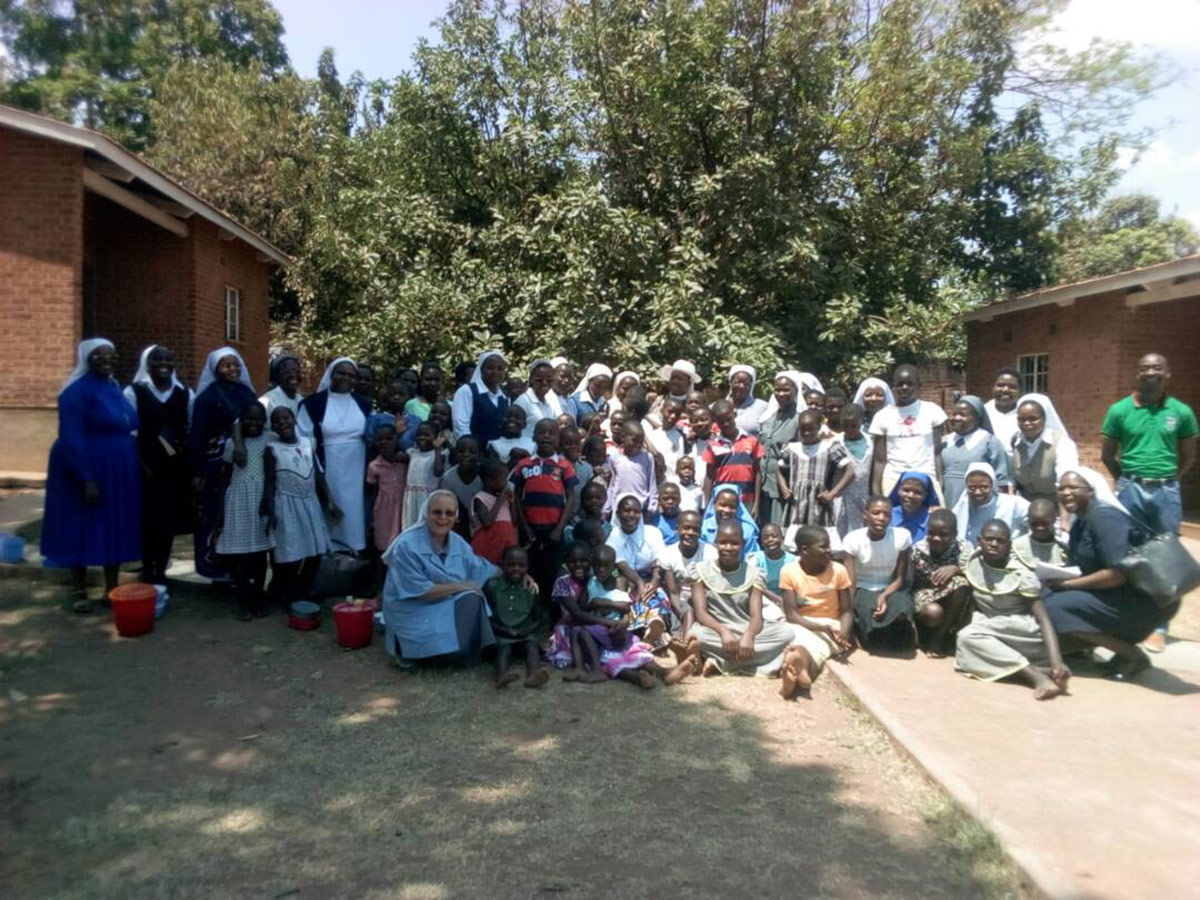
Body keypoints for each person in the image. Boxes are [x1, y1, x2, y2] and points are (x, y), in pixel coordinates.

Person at [1101, 353, 1197, 653]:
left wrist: (1165, 480)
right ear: (1136, 374)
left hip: (1166, 491)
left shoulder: (1181, 412)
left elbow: (1188, 457)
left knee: (1166, 558)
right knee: (1127, 554)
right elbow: (1107, 455)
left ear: (1168, 373)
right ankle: (1128, 619)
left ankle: (1159, 627)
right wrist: (1128, 481)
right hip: (1130, 487)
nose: (1150, 372)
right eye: (1144, 368)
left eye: (1157, 367)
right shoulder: (1119, 410)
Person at [1043, 468, 1175, 681]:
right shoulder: (1082, 520)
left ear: (1091, 491)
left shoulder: (1104, 518)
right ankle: (1092, 648)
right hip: (1120, 596)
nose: (1065, 492)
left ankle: (1133, 655)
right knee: (1049, 598)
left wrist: (1068, 584)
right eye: (1062, 488)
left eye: (1073, 487)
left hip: (1143, 602)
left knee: (1052, 607)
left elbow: (1117, 574)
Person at [42, 339, 141, 612]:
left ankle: (111, 588)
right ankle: (79, 590)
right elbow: (71, 437)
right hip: (86, 468)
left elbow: (128, 422)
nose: (107, 360)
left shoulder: (113, 388)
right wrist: (86, 478)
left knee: (114, 526)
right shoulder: (75, 392)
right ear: (87, 359)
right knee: (81, 525)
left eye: (111, 355)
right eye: (99, 356)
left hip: (118, 471)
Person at [382, 490, 531, 665]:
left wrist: (520, 574)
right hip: (413, 609)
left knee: (474, 597)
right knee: (470, 595)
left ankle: (463, 651)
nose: (443, 518)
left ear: (456, 517)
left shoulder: (457, 542)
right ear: (426, 513)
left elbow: (481, 567)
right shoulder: (406, 545)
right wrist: (462, 586)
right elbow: (419, 591)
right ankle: (435, 654)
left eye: (449, 513)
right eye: (437, 512)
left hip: (441, 604)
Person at [679, 521, 809, 698]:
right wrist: (723, 631)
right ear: (715, 543)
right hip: (715, 630)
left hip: (745, 628)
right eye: (723, 542)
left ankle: (718, 662)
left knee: (786, 633)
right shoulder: (701, 570)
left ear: (743, 544)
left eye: (735, 543)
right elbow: (701, 613)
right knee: (696, 636)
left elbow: (756, 616)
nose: (728, 548)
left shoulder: (754, 573)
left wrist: (748, 636)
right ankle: (767, 664)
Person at [957, 520, 1070, 700]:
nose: (994, 544)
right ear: (980, 541)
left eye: (1000, 541)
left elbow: (1042, 619)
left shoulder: (1020, 574)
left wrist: (1056, 660)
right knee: (963, 651)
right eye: (989, 539)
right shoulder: (972, 561)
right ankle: (1032, 668)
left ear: (1009, 545)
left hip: (1020, 630)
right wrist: (952, 569)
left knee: (967, 637)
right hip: (990, 626)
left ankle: (1037, 677)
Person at [123, 344, 193, 590]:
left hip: (174, 467)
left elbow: (190, 428)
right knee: (146, 520)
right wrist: (142, 466)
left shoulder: (184, 393)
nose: (163, 363)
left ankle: (160, 571)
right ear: (147, 364)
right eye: (157, 360)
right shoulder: (134, 392)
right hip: (145, 466)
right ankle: (148, 569)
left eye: (168, 359)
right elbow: (128, 434)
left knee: (167, 521)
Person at [190, 347, 257, 579]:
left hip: (245, 463)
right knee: (215, 514)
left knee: (240, 514)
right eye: (226, 365)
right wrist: (197, 472)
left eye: (236, 364)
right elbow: (197, 435)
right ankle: (214, 567)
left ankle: (241, 568)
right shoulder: (208, 397)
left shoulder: (246, 393)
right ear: (215, 369)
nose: (232, 369)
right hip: (215, 465)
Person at [263, 406, 337, 605]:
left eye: (286, 418)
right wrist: (271, 510)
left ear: (295, 420)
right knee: (291, 553)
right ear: (273, 427)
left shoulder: (308, 443)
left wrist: (330, 501)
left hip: (310, 503)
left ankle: (304, 591)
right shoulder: (272, 450)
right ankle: (289, 595)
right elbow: (269, 483)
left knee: (315, 552)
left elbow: (318, 475)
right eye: (277, 421)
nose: (282, 423)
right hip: (286, 505)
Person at [298, 358, 369, 553]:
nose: (346, 378)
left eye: (351, 375)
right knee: (330, 518)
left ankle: (353, 563)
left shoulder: (364, 404)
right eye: (341, 373)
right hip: (328, 470)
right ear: (331, 374)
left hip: (357, 473)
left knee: (355, 519)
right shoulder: (313, 404)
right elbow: (304, 442)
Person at [215, 401, 273, 620]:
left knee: (259, 553)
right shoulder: (232, 444)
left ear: (265, 422)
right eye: (249, 418)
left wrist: (268, 500)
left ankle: (258, 598)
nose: (254, 423)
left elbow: (270, 475)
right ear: (242, 420)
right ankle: (243, 599)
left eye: (259, 418)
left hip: (259, 500)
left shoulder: (269, 440)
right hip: (237, 500)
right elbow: (225, 475)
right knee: (237, 553)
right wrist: (221, 509)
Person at [511, 419, 579, 604]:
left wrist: (559, 529)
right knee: (529, 569)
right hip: (530, 529)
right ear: (534, 436)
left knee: (552, 570)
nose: (546, 436)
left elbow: (571, 497)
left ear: (558, 439)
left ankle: (551, 613)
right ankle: (528, 609)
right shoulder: (524, 465)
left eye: (551, 433)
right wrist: (525, 527)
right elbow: (517, 496)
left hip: (554, 529)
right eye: (541, 432)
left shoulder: (565, 466)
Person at [842, 495, 916, 651]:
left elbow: (899, 578)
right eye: (876, 513)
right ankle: (866, 633)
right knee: (870, 610)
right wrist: (848, 610)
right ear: (865, 514)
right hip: (863, 588)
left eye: (886, 514)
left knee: (902, 608)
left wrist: (884, 596)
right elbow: (851, 581)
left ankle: (897, 635)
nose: (881, 518)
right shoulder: (853, 540)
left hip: (890, 587)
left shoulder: (901, 536)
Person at [779, 525, 855, 671]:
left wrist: (843, 633)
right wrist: (821, 628)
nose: (829, 551)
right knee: (794, 637)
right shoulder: (789, 571)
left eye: (829, 546)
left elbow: (847, 611)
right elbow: (792, 615)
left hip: (831, 623)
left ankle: (799, 668)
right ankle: (799, 668)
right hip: (801, 623)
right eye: (823, 547)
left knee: (821, 646)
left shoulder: (838, 570)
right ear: (804, 550)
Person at [606, 493, 674, 645]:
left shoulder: (652, 532)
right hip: (625, 581)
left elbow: (658, 562)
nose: (632, 515)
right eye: (627, 510)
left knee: (656, 598)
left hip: (650, 578)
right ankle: (645, 636)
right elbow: (621, 566)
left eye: (636, 511)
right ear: (617, 514)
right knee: (631, 602)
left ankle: (659, 633)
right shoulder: (613, 536)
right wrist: (639, 584)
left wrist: (654, 582)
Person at [869, 365, 946, 497]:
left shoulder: (933, 411)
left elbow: (937, 452)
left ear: (919, 386)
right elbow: (879, 459)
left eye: (910, 384)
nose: (904, 387)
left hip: (926, 477)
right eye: (900, 384)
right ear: (893, 387)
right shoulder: (882, 416)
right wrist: (876, 489)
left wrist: (939, 482)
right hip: (893, 480)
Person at [485, 546, 550, 689]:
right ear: (502, 564)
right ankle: (501, 676)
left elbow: (538, 618)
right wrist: (503, 631)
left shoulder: (531, 588)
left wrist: (527, 631)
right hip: (502, 633)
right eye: (511, 564)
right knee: (504, 648)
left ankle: (533, 675)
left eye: (521, 565)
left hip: (524, 633)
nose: (516, 569)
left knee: (531, 647)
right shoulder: (492, 586)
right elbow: (487, 618)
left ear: (527, 566)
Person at [908, 508, 970, 656]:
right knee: (934, 612)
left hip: (952, 598)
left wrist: (956, 569)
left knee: (961, 583)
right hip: (922, 595)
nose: (936, 538)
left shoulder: (962, 548)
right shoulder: (917, 551)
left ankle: (940, 639)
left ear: (954, 534)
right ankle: (924, 637)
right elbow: (908, 584)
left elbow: (975, 573)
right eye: (932, 533)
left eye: (944, 535)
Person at [777, 408, 853, 528]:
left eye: (811, 429)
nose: (806, 433)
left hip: (819, 504)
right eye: (803, 430)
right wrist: (784, 488)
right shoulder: (791, 448)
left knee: (819, 538)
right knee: (795, 539)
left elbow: (850, 471)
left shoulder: (829, 447)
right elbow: (780, 470)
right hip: (796, 504)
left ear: (819, 427)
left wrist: (832, 493)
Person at [941, 395, 1012, 508]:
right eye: (954, 414)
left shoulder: (989, 442)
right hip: (947, 502)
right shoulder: (945, 441)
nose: (956, 418)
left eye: (962, 415)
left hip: (980, 504)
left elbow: (1001, 480)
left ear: (977, 418)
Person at [1010, 393, 1079, 503]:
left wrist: (1065, 519)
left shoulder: (1062, 443)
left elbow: (1066, 485)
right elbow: (1013, 481)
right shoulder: (1016, 442)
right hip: (1026, 509)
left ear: (1045, 418)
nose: (1026, 423)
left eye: (1033, 419)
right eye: (1021, 419)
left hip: (1057, 508)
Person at [659, 509, 716, 638]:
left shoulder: (710, 553)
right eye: (686, 528)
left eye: (695, 529)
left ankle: (686, 644)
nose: (690, 533)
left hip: (703, 599)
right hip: (678, 601)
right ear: (677, 529)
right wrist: (682, 613)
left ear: (700, 532)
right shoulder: (668, 554)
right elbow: (673, 592)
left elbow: (712, 586)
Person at [703, 400, 765, 517]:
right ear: (715, 422)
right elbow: (709, 477)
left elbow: (757, 473)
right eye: (721, 422)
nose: (726, 424)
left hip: (746, 499)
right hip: (723, 501)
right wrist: (708, 504)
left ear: (734, 414)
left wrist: (756, 504)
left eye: (728, 419)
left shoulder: (751, 440)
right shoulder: (713, 445)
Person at [951, 462, 1029, 546]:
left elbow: (1037, 522)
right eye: (972, 488)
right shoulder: (962, 509)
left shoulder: (1013, 503)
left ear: (992, 486)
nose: (977, 492)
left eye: (983, 487)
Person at [451, 350, 509, 443]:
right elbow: (460, 426)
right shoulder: (467, 391)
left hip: (498, 454)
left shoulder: (505, 397)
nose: (495, 372)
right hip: (473, 453)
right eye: (490, 368)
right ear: (481, 370)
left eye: (500, 368)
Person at [366, 423, 407, 554]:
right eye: (380, 439)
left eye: (389, 439)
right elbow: (372, 491)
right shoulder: (374, 466)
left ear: (396, 440)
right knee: (384, 544)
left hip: (403, 506)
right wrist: (372, 516)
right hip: (384, 510)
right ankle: (381, 573)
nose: (384, 443)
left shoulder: (405, 461)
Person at [604, 420, 657, 518]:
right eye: (634, 440)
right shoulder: (614, 457)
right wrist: (607, 508)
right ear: (623, 437)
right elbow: (611, 485)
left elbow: (652, 482)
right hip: (618, 508)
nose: (638, 445)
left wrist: (651, 507)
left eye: (641, 442)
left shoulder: (647, 457)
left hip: (640, 509)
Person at [836, 403, 873, 538]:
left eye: (853, 426)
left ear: (861, 422)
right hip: (842, 499)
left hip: (865, 495)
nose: (849, 429)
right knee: (842, 534)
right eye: (845, 426)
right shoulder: (836, 442)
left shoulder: (871, 442)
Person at [471, 458, 517, 564]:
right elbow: (487, 522)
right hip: (489, 543)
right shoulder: (480, 498)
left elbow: (514, 521)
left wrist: (512, 502)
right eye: (504, 479)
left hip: (505, 542)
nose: (506, 483)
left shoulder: (502, 498)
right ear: (490, 481)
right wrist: (499, 502)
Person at [402, 423, 447, 530]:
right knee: (410, 525)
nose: (422, 437)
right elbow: (393, 456)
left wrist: (437, 449)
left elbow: (438, 471)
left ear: (436, 438)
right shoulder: (413, 453)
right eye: (419, 434)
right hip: (411, 497)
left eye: (427, 435)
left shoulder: (438, 455)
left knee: (427, 526)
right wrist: (400, 433)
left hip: (427, 498)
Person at [749, 522, 795, 621]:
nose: (770, 540)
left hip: (787, 598)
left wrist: (785, 601)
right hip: (762, 598)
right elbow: (754, 585)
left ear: (782, 538)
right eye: (766, 537)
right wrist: (777, 599)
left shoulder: (792, 560)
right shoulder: (756, 559)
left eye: (774, 536)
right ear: (761, 542)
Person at [701, 483, 760, 555]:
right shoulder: (703, 528)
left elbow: (751, 558)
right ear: (714, 504)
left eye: (731, 507)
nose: (727, 510)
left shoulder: (747, 530)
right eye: (723, 505)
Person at [441, 436, 482, 537]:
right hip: (466, 516)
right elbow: (449, 503)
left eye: (472, 452)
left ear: (479, 455)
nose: (466, 455)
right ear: (455, 453)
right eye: (461, 451)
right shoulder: (448, 477)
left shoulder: (485, 474)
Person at [1012, 499, 1068, 570]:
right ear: (1028, 520)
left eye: (1045, 523)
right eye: (1034, 524)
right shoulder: (1016, 548)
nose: (1039, 528)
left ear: (1054, 519)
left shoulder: (1065, 548)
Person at [515, 359, 565, 437]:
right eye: (539, 379)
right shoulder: (522, 402)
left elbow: (559, 420)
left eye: (549, 379)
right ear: (531, 379)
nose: (544, 382)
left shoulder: (552, 399)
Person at [888, 471, 937, 543]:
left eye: (917, 492)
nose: (910, 496)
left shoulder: (930, 519)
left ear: (925, 495)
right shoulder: (887, 515)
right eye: (906, 490)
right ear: (898, 490)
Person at [984, 366, 1022, 451]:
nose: (1005, 390)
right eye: (1000, 385)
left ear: (1019, 390)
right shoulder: (982, 413)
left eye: (1012, 387)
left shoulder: (1027, 414)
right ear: (992, 388)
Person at [259, 353, 303, 419]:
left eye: (296, 370)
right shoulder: (268, 402)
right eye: (287, 372)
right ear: (277, 376)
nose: (293, 375)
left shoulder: (301, 400)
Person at [728, 364, 770, 434]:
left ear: (751, 385)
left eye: (746, 384)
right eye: (737, 382)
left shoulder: (763, 407)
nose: (741, 386)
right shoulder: (717, 406)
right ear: (730, 383)